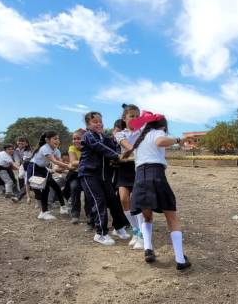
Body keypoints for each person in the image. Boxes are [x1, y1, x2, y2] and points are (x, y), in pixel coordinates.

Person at [122, 111, 190, 270]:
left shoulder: (140, 139)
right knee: (171, 217)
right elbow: (160, 142)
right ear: (162, 126)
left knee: (147, 217)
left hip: (140, 178)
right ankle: (180, 259)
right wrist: (178, 139)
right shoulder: (157, 133)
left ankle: (148, 249)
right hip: (155, 175)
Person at [79, 112, 129, 246]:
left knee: (113, 200)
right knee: (99, 201)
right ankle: (100, 233)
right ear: (88, 125)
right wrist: (117, 156)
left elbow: (113, 147)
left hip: (103, 176)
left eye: (100, 121)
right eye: (95, 122)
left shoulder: (104, 137)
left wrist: (122, 151)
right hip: (89, 175)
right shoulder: (88, 136)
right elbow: (99, 147)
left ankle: (119, 228)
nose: (99, 124)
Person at [115, 104, 145, 250]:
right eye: (132, 116)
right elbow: (128, 147)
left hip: (138, 169)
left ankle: (141, 235)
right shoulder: (120, 134)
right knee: (123, 199)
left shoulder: (144, 132)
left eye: (138, 116)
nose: (135, 119)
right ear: (124, 118)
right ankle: (136, 230)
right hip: (124, 170)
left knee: (135, 200)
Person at [28, 131, 72, 221]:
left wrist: (67, 166)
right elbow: (54, 161)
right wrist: (68, 166)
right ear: (47, 140)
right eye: (55, 139)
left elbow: (59, 162)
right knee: (45, 189)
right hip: (34, 168)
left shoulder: (56, 150)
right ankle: (43, 213)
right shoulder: (45, 148)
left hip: (43, 169)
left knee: (56, 187)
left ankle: (63, 208)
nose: (57, 141)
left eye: (58, 139)